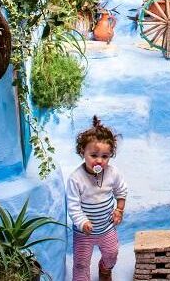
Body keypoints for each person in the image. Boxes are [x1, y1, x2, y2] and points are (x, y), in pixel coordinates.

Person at [67, 116, 128, 281]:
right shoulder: (76, 178)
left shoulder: (112, 173)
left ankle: (105, 268)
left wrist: (119, 210)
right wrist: (82, 222)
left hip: (106, 228)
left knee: (112, 254)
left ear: (110, 156)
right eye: (94, 155)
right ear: (82, 152)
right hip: (83, 233)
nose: (99, 160)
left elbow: (121, 192)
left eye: (105, 156)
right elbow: (73, 206)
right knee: (80, 264)